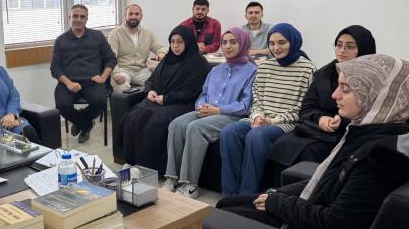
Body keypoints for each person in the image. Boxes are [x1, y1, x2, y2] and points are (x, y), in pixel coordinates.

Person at [217, 54, 409, 229]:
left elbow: (334, 225)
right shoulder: (378, 129)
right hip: (311, 208)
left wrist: (278, 203)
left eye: (346, 89)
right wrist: (279, 194)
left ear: (378, 95)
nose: (335, 95)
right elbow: (332, 180)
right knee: (225, 203)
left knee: (214, 220)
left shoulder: (381, 159)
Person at [219, 24, 316, 195]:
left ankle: (246, 195)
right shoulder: (265, 67)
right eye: (271, 43)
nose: (276, 48)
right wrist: (257, 116)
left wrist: (271, 121)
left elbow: (303, 107)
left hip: (285, 123)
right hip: (259, 119)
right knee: (229, 131)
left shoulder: (307, 69)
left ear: (293, 42)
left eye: (282, 42)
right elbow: (256, 99)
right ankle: (229, 193)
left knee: (257, 135)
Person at [268, 25, 376, 177]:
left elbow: (374, 112)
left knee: (309, 151)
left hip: (347, 133)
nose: (342, 50)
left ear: (363, 49)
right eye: (339, 45)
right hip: (315, 127)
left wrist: (342, 119)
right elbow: (307, 106)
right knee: (284, 143)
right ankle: (277, 192)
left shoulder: (372, 77)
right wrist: (321, 118)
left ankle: (303, 195)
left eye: (350, 46)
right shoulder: (324, 74)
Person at [163, 27, 258, 198]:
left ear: (243, 44)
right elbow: (203, 94)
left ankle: (190, 184)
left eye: (233, 42)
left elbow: (246, 105)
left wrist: (218, 110)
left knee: (195, 128)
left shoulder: (252, 71)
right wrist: (201, 106)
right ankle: (172, 178)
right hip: (208, 111)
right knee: (176, 124)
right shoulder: (216, 70)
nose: (228, 46)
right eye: (224, 42)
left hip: (232, 116)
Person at [118, 26, 210, 175]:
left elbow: (193, 91)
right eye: (172, 42)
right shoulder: (167, 59)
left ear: (188, 42)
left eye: (180, 42)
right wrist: (150, 91)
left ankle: (149, 168)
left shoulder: (198, 63)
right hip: (159, 99)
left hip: (182, 103)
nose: (175, 46)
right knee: (133, 117)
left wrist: (167, 99)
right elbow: (151, 80)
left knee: (156, 122)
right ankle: (131, 161)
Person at [51, 4, 117, 143]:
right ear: (69, 17)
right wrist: (68, 83)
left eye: (82, 17)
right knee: (62, 105)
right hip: (69, 82)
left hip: (92, 81)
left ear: (87, 19)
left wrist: (103, 77)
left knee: (100, 100)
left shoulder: (97, 36)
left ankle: (81, 121)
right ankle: (86, 124)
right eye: (75, 16)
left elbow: (111, 59)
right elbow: (55, 68)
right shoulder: (61, 40)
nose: (79, 19)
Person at [108, 4, 166, 92]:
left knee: (161, 84)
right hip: (122, 70)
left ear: (141, 16)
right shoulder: (115, 34)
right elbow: (111, 57)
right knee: (122, 88)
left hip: (142, 70)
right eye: (130, 14)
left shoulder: (148, 33)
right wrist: (116, 74)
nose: (133, 16)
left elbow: (159, 47)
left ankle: (147, 105)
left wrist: (161, 53)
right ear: (125, 16)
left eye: (136, 14)